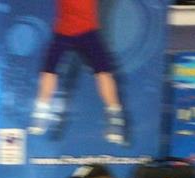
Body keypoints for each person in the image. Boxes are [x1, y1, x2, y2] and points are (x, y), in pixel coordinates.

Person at [28, 0, 125, 144]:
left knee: (104, 73)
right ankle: (40, 113)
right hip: (63, 33)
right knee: (48, 72)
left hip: (88, 33)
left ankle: (115, 119)